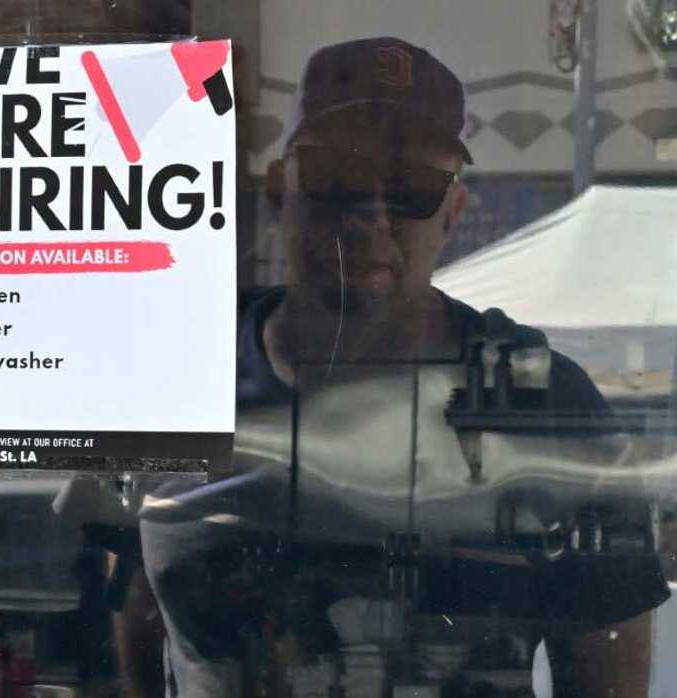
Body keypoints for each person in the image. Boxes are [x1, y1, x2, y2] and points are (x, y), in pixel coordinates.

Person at [133, 37, 670, 698]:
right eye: (335, 175)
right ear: (280, 190)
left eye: (412, 186)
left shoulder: (543, 400)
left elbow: (608, 667)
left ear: (452, 212)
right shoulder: (176, 375)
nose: (369, 216)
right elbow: (129, 612)